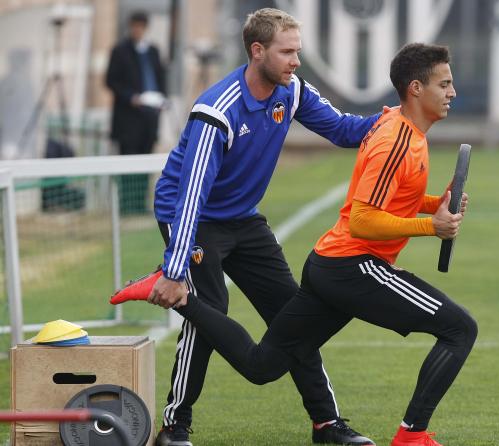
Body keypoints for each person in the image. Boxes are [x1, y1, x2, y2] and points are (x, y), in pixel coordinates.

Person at [114, 43, 478, 446]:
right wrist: (432, 226)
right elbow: (361, 219)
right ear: (415, 88)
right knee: (459, 328)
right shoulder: (393, 138)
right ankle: (411, 436)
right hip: (337, 261)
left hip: (313, 256)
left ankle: (324, 422)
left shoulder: (397, 131)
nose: (452, 92)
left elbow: (365, 161)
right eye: (444, 84)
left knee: (261, 365)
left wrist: (433, 205)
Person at [115, 7, 382, 446]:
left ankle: (327, 424)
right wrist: (176, 268)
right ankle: (174, 427)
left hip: (243, 218)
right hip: (192, 219)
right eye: (287, 51)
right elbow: (190, 195)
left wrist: (397, 122)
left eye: (298, 50)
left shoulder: (291, 90)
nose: (296, 61)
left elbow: (343, 130)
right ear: (258, 51)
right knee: (210, 310)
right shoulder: (216, 111)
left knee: (293, 314)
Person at [106, 10, 166, 214]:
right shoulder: (120, 51)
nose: (137, 30)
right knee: (128, 161)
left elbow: (161, 78)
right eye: (135, 26)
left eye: (141, 26)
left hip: (149, 117)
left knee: (146, 160)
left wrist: (162, 99)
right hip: (128, 119)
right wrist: (131, 97)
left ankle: (140, 204)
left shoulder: (153, 51)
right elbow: (110, 81)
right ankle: (127, 206)